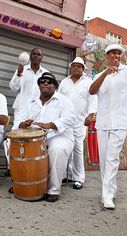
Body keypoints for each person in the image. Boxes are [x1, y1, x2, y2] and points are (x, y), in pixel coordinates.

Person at [89, 44, 127, 209]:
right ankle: (110, 189)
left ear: (122, 56)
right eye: (112, 53)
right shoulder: (100, 75)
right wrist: (105, 73)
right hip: (103, 122)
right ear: (107, 56)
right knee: (104, 159)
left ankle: (107, 196)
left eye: (118, 53)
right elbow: (91, 91)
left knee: (112, 157)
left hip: (120, 121)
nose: (116, 56)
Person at [13, 72, 76, 202]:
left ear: (55, 86)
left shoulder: (64, 100)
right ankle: (22, 183)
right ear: (39, 85)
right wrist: (22, 124)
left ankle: (53, 189)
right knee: (11, 145)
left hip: (58, 135)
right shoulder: (30, 101)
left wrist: (50, 124)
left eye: (49, 82)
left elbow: (70, 119)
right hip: (33, 137)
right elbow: (18, 118)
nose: (45, 83)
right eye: (42, 81)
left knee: (57, 150)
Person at [59, 56, 97, 190]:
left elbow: (93, 99)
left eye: (78, 66)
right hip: (65, 121)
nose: (75, 68)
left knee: (78, 149)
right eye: (73, 65)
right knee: (64, 148)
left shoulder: (88, 82)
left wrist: (90, 115)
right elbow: (59, 100)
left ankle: (78, 178)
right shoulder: (64, 82)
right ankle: (65, 175)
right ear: (71, 68)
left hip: (80, 121)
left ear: (83, 69)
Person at [9, 48, 48, 120]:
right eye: (34, 54)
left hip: (37, 111)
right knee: (18, 130)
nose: (36, 56)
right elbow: (13, 88)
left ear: (42, 58)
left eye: (39, 55)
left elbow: (49, 93)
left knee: (35, 131)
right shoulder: (21, 70)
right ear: (30, 56)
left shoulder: (45, 74)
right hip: (21, 108)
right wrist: (18, 75)